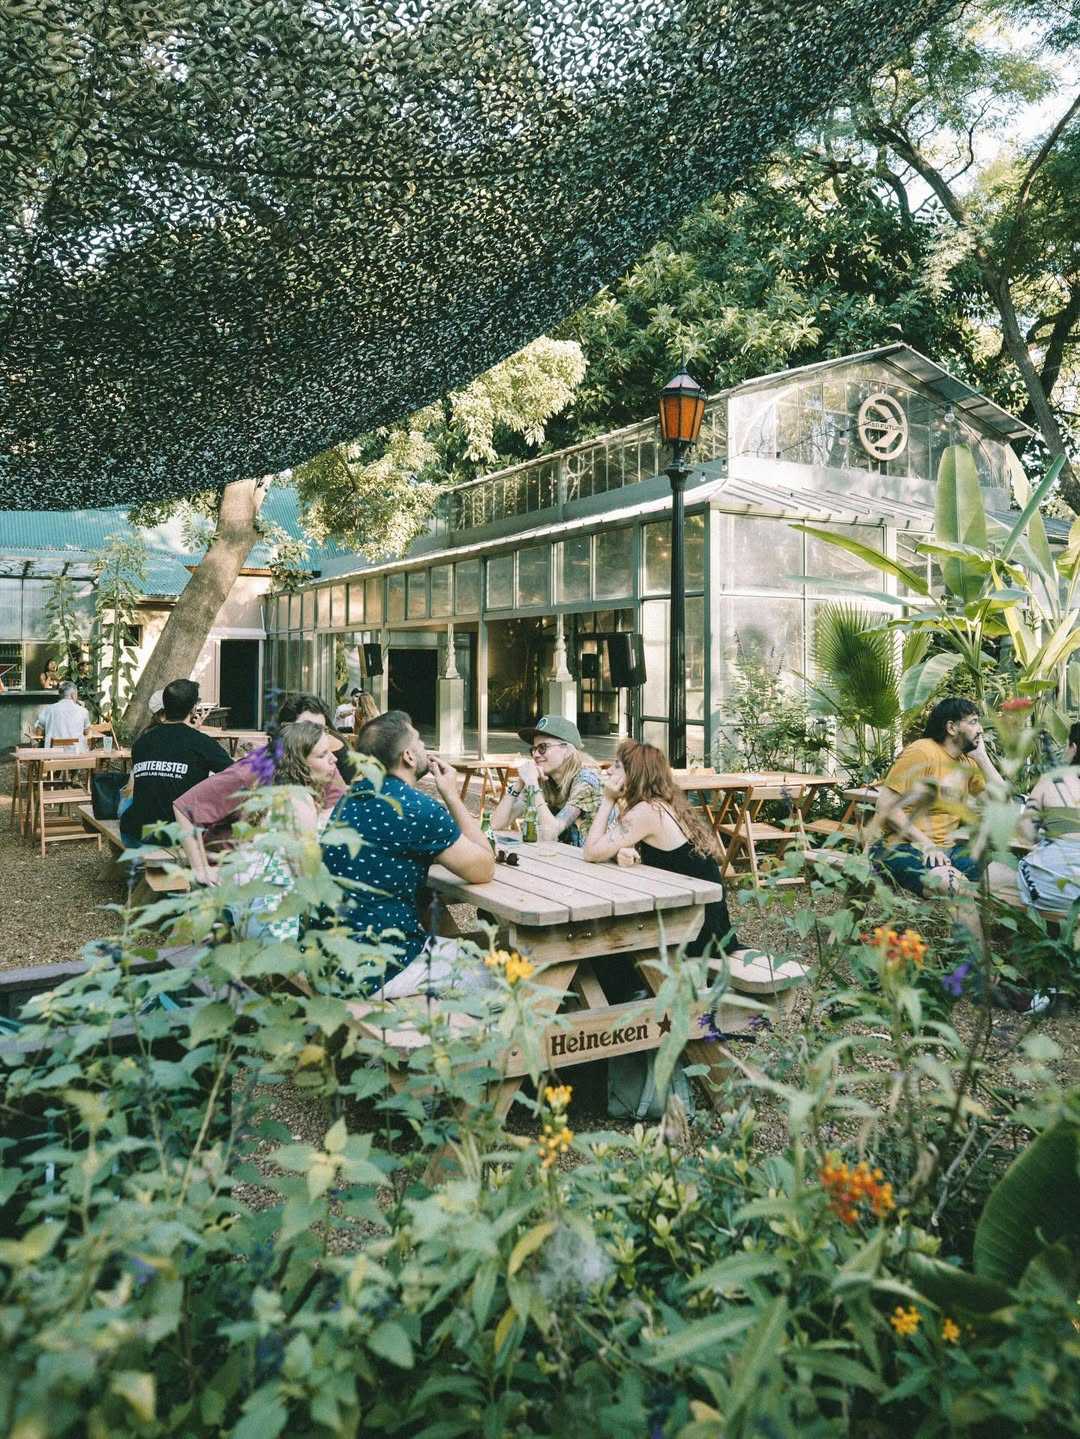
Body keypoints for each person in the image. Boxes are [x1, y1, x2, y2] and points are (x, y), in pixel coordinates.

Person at [322, 709, 495, 993]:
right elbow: (485, 867)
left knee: (467, 918)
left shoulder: (350, 799)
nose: (426, 748)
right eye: (421, 743)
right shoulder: (416, 808)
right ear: (409, 757)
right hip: (383, 968)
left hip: (333, 958)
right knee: (500, 977)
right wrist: (451, 794)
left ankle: (484, 939)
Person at [583, 738, 746, 960]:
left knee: (607, 945)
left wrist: (608, 799)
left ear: (635, 773)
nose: (609, 770)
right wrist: (620, 853)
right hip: (705, 924)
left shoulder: (648, 811)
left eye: (617, 765)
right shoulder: (663, 804)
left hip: (697, 937)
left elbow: (591, 852)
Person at [178, 722, 340, 939]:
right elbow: (184, 808)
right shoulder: (259, 780)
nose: (334, 759)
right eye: (323, 754)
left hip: (250, 895)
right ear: (300, 763)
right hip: (263, 903)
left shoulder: (285, 789)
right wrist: (201, 869)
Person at [173, 690, 350, 856]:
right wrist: (200, 868)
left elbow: (339, 818)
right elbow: (183, 809)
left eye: (322, 731)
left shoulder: (326, 767)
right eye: (306, 730)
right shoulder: (250, 771)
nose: (316, 738)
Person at [867, 697, 1004, 897]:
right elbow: (886, 806)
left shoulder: (967, 762)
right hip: (903, 847)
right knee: (957, 890)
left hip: (948, 850)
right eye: (973, 722)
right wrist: (927, 845)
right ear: (951, 727)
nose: (981, 729)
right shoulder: (922, 751)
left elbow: (1002, 805)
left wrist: (982, 758)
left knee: (1006, 879)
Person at [121, 679, 232, 846]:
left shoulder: (142, 742)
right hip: (179, 835)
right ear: (194, 708)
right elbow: (235, 775)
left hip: (138, 830)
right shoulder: (200, 742)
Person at [489, 715, 603, 846]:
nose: (536, 755)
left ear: (567, 750)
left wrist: (532, 784)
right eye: (534, 749)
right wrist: (519, 784)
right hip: (568, 859)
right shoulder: (544, 778)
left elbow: (550, 833)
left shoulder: (587, 780)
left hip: (605, 864)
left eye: (542, 747)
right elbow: (495, 824)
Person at [1014, 721, 1080, 917]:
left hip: (1050, 891)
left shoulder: (1051, 781)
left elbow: (1026, 835)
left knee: (992, 872)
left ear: (1073, 748)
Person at [41, 680, 90, 748]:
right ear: (73, 695)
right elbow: (86, 732)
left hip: (53, 756)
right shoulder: (83, 711)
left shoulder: (48, 709)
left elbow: (38, 731)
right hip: (77, 756)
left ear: (60, 695)